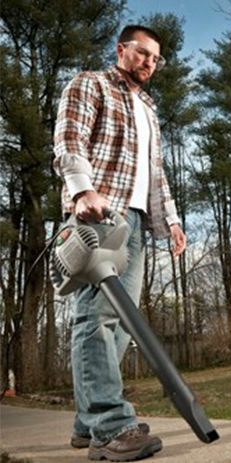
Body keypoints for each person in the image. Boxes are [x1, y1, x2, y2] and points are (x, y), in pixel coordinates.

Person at [53, 24, 186, 461]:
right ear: (121, 49)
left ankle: (85, 422)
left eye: (156, 58)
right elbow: (70, 137)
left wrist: (172, 221)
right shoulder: (91, 83)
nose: (150, 63)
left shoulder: (148, 107)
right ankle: (110, 427)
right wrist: (81, 189)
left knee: (123, 325)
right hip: (97, 214)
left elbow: (157, 174)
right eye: (143, 53)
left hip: (139, 223)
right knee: (95, 318)